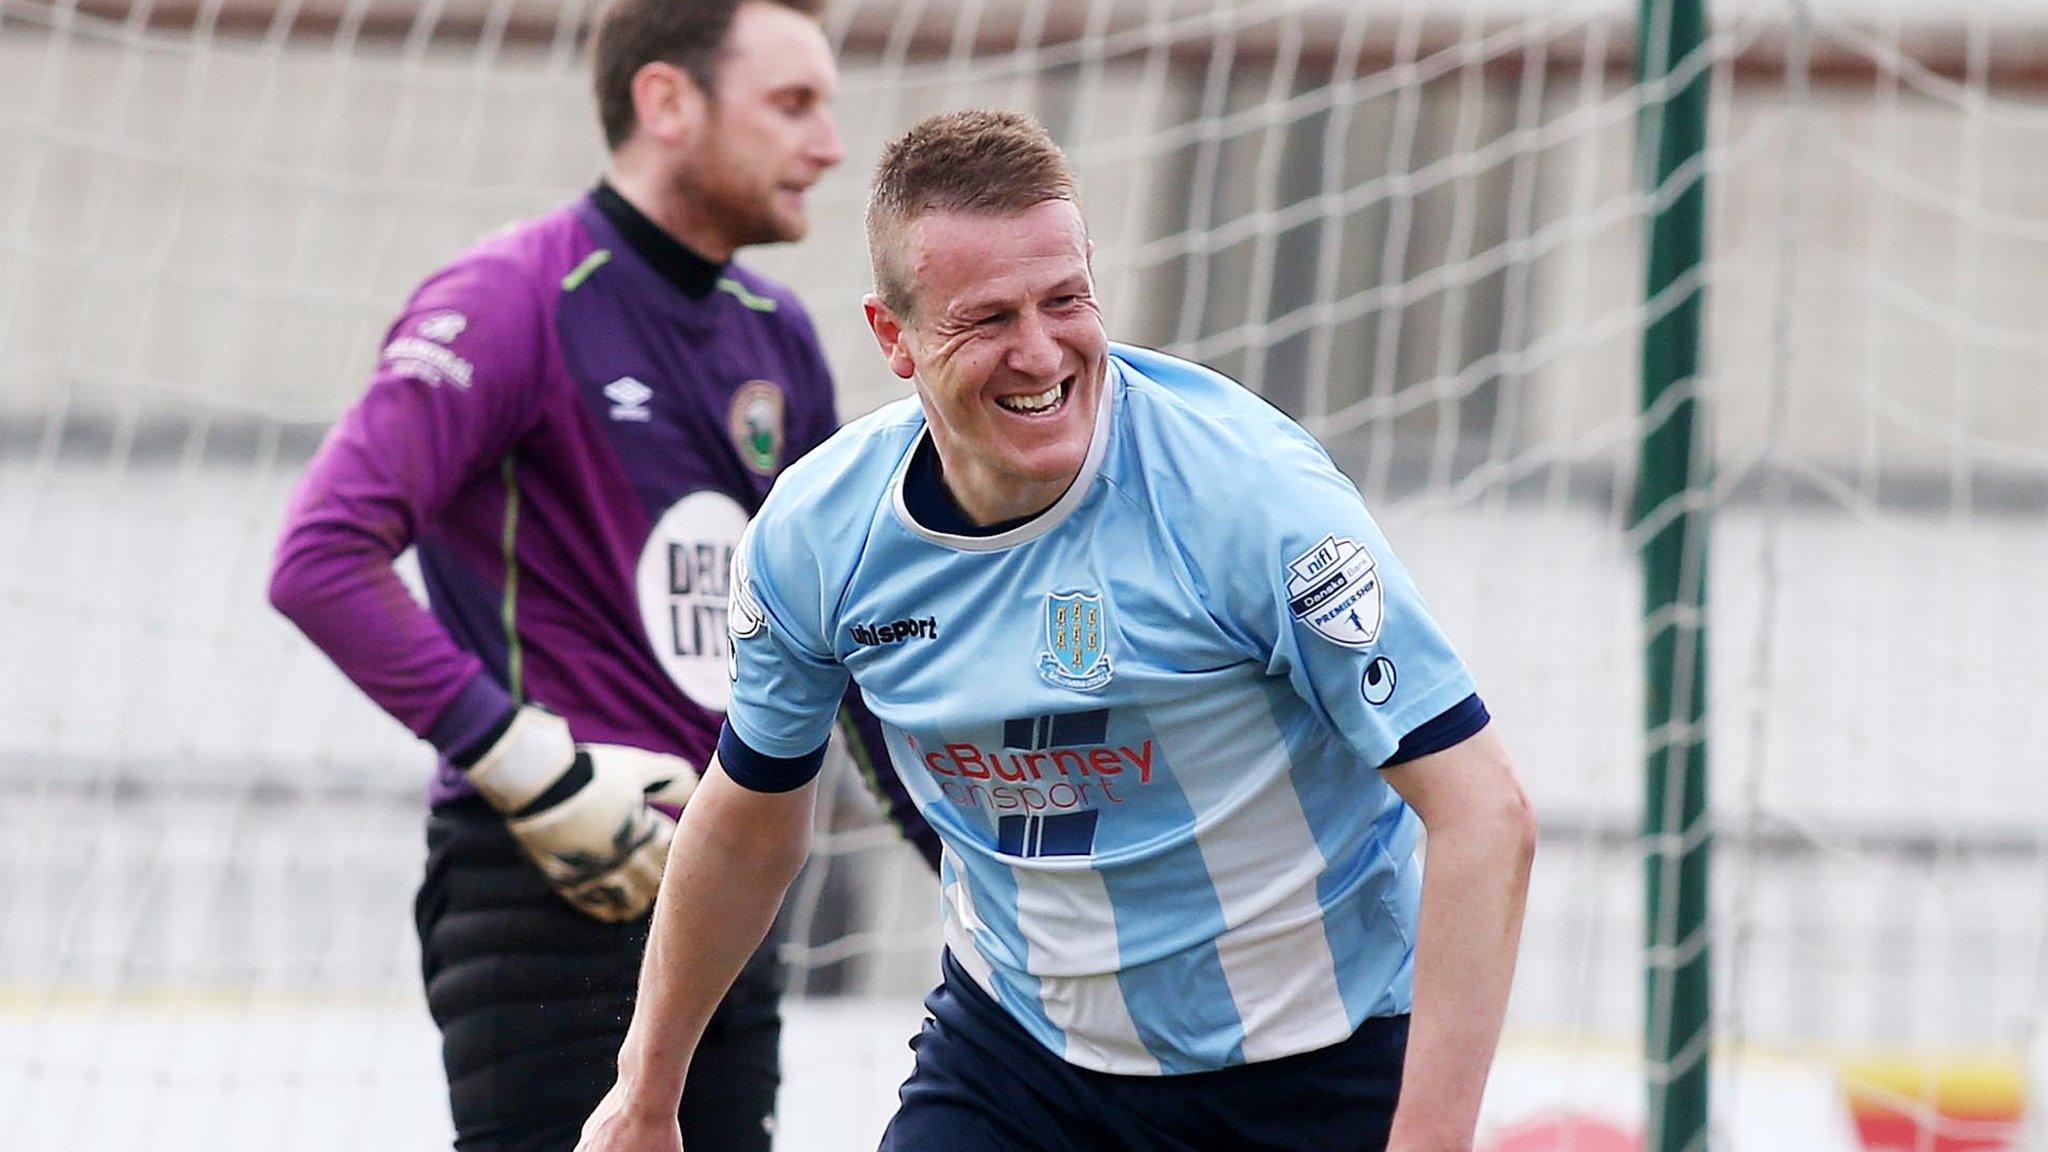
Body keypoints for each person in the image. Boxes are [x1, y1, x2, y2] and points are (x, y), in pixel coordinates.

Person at [576, 109, 1537, 1152]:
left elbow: (1483, 813)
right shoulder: (818, 536)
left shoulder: (1249, 499)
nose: (1039, 353)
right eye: (986, 318)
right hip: (1017, 1061)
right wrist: (646, 1091)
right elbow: (749, 818)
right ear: (892, 335)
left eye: (1064, 300)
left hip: (1312, 1068)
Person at [267, 3, 939, 1150]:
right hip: (546, 895)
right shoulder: (510, 296)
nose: (829, 146)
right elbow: (319, 557)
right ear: (667, 102)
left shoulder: (774, 334)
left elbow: (851, 638)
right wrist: (527, 762)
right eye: (792, 105)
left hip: (728, 891)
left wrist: (966, 854)